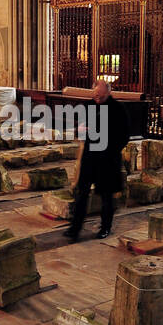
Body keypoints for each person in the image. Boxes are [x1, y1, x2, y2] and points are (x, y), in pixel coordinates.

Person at [66, 79, 131, 241]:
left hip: (107, 160)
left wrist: (109, 148)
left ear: (108, 93)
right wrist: (80, 130)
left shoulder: (118, 109)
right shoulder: (88, 106)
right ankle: (75, 227)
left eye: (101, 96)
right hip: (89, 158)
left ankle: (105, 228)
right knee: (82, 193)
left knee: (106, 196)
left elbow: (124, 135)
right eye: (95, 95)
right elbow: (79, 128)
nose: (97, 98)